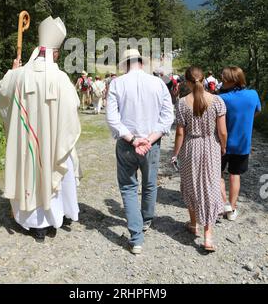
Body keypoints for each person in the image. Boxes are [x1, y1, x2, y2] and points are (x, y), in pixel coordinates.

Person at [0, 16, 81, 242]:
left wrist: (11, 72)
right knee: (55, 169)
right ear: (54, 53)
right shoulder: (61, 78)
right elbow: (73, 108)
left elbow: (1, 93)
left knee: (30, 172)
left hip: (27, 141)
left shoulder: (20, 74)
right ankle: (56, 216)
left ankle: (36, 225)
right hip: (53, 142)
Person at [106, 49, 174, 255]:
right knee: (150, 184)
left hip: (128, 143)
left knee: (128, 187)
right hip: (151, 143)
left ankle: (136, 237)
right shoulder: (158, 83)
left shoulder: (117, 83)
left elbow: (112, 118)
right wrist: (150, 139)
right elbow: (168, 116)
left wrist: (134, 139)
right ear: (141, 64)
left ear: (126, 64)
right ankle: (145, 220)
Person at [172, 66, 227, 252]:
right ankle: (208, 236)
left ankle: (194, 224)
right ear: (204, 79)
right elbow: (222, 131)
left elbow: (180, 133)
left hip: (191, 148)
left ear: (187, 82)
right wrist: (223, 146)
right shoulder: (217, 101)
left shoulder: (181, 103)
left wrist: (175, 153)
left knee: (191, 185)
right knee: (210, 187)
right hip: (211, 146)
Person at [219, 66, 261, 221]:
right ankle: (232, 209)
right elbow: (257, 111)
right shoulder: (253, 94)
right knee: (235, 175)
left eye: (224, 78)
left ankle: (223, 204)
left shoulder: (223, 98)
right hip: (243, 143)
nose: (222, 80)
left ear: (233, 80)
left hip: (222, 144)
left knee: (218, 175)